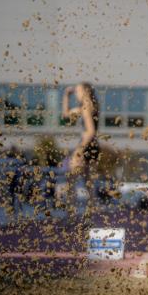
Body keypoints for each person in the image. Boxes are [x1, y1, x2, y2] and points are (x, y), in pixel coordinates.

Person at [61, 83, 100, 212]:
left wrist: (79, 151)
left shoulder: (86, 108)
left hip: (85, 146)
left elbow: (90, 131)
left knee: (71, 180)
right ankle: (92, 213)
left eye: (78, 91)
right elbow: (66, 115)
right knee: (89, 183)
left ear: (85, 92)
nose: (76, 94)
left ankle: (71, 214)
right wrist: (67, 95)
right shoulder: (89, 106)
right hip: (93, 147)